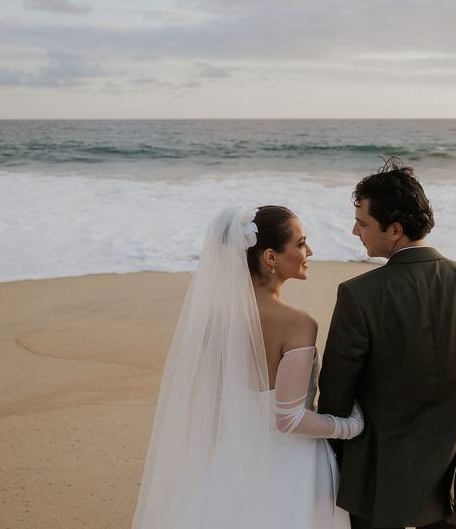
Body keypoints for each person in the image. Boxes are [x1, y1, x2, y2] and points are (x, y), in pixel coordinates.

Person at [130, 205, 363, 529]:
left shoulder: (217, 321)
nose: (309, 251)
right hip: (293, 464)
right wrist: (350, 426)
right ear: (270, 257)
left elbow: (214, 400)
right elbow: (289, 418)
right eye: (300, 243)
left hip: (235, 457)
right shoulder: (297, 324)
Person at [319, 158, 456, 529]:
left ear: (394, 230)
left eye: (362, 223)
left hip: (376, 476)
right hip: (454, 476)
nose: (354, 231)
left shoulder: (359, 295)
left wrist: (342, 454)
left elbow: (335, 393)